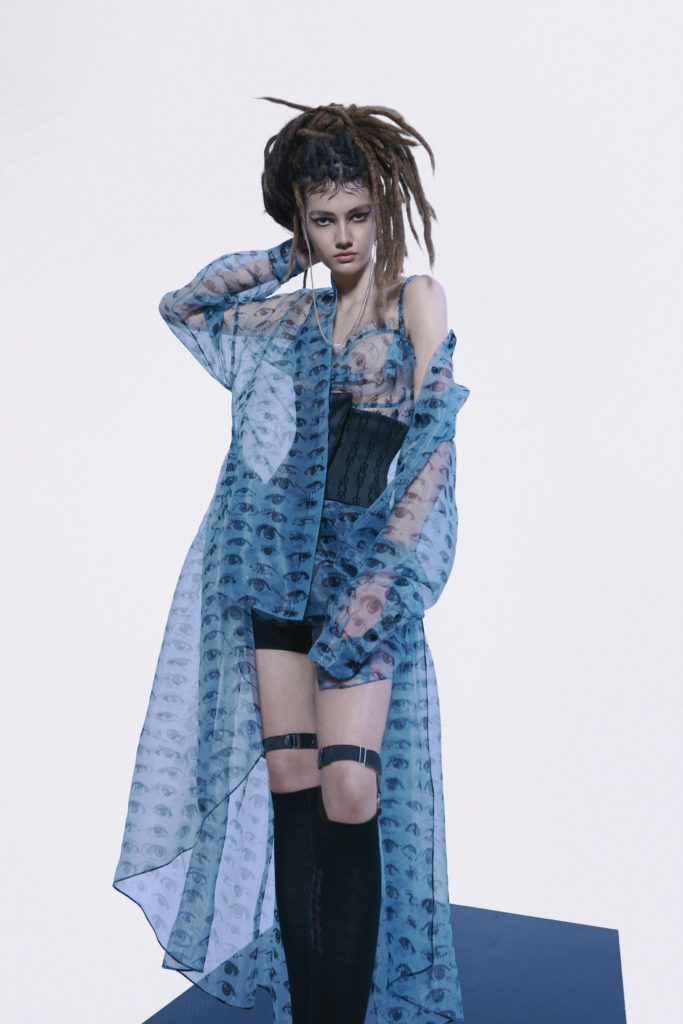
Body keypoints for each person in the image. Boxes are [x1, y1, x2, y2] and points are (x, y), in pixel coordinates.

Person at [114, 98, 469, 1024]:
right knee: (292, 787)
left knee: (350, 790)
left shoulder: (414, 299)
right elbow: (185, 308)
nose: (343, 235)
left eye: (357, 214)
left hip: (363, 574)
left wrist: (388, 575)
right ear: (303, 222)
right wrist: (286, 257)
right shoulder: (293, 314)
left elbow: (432, 442)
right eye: (323, 219)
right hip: (273, 570)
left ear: (382, 211)